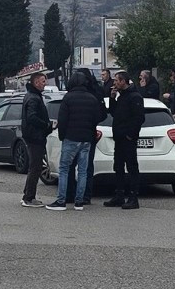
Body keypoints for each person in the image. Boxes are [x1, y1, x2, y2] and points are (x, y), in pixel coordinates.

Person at [48, 71, 103, 211]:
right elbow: (98, 117)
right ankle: (80, 201)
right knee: (83, 170)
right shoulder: (92, 98)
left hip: (71, 137)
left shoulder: (68, 98)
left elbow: (62, 119)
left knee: (65, 169)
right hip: (87, 139)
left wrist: (62, 136)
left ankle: (61, 200)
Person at [105, 71, 145, 209]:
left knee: (132, 167)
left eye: (116, 80)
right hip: (119, 138)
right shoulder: (122, 96)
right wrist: (112, 98)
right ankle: (119, 195)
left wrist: (130, 135)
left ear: (123, 81)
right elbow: (114, 113)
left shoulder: (134, 97)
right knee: (118, 167)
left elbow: (139, 118)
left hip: (128, 139)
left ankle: (133, 198)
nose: (114, 83)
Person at [67, 67, 107, 205]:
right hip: (89, 132)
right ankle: (85, 195)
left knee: (70, 165)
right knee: (86, 166)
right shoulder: (96, 92)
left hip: (73, 133)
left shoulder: (71, 93)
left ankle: (70, 194)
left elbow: (64, 114)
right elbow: (102, 114)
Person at [20, 72, 55, 208]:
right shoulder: (33, 98)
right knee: (35, 167)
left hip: (34, 136)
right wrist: (46, 125)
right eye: (42, 81)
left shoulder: (33, 96)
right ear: (35, 83)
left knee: (35, 166)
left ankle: (28, 194)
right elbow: (32, 117)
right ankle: (29, 197)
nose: (45, 83)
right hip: (35, 137)